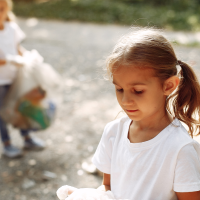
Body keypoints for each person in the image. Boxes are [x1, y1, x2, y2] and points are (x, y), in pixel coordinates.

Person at [91, 28, 200, 200]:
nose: (125, 100)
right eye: (119, 89)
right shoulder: (113, 132)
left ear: (168, 86)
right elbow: (107, 186)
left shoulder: (181, 149)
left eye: (138, 91)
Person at [0, 0, 45, 158]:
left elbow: (17, 49)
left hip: (14, 77)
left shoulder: (11, 28)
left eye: (2, 9)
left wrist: (28, 58)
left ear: (7, 9)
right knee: (2, 113)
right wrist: (8, 60)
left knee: (21, 108)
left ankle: (27, 138)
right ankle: (7, 144)